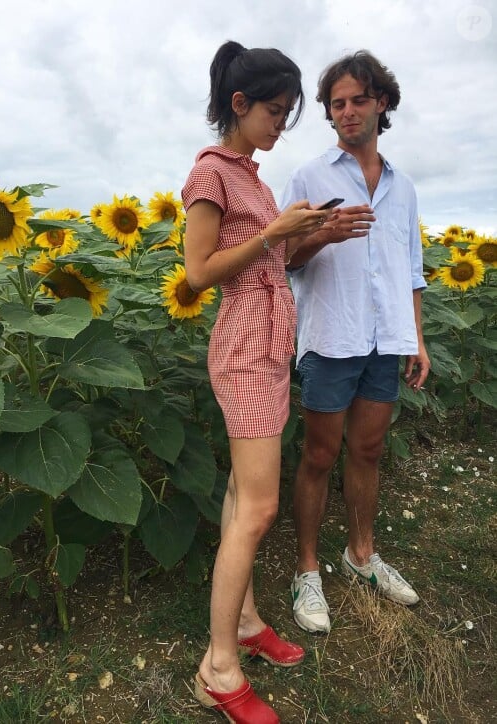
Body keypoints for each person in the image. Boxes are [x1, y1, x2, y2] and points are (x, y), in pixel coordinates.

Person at [182, 40, 346, 723]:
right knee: (260, 508)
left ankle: (245, 624)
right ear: (240, 105)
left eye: (288, 114)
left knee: (239, 494)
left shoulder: (252, 175)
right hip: (245, 344)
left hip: (270, 340)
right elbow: (200, 273)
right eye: (275, 112)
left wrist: (315, 235)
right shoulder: (210, 175)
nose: (282, 124)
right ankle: (217, 669)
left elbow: (269, 261)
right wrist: (276, 230)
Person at [281, 49, 430, 635]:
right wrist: (324, 234)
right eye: (336, 103)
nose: (346, 111)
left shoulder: (405, 187)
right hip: (331, 335)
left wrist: (416, 340)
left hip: (385, 337)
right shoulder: (308, 178)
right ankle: (308, 569)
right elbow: (283, 259)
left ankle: (361, 554)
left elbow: (412, 270)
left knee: (367, 451)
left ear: (382, 103)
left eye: (357, 100)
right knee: (319, 455)